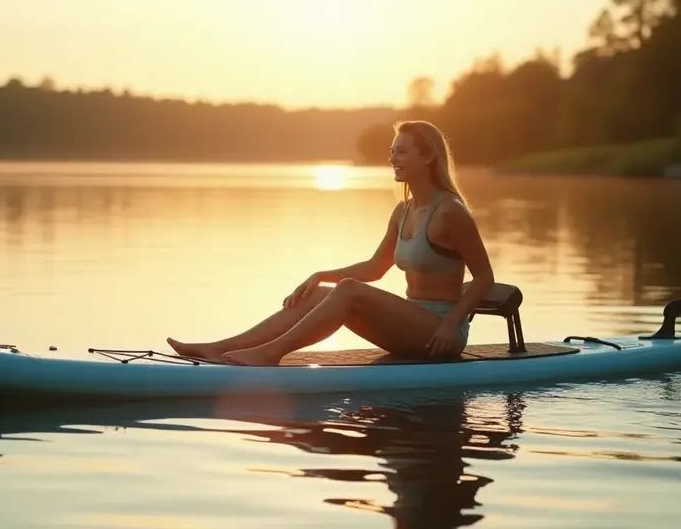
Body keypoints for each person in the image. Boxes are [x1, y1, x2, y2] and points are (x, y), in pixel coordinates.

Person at [167, 120, 495, 366]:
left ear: (427, 157)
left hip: (441, 333)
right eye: (392, 151)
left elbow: (484, 278)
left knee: (349, 289)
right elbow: (375, 268)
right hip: (409, 323)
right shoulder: (403, 211)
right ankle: (219, 349)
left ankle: (269, 354)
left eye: (402, 151)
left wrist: (452, 324)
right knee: (321, 293)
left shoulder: (450, 212)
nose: (393, 157)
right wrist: (321, 275)